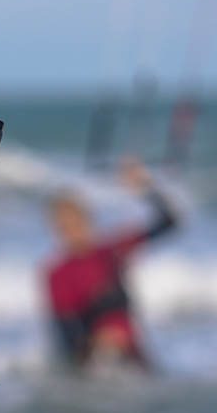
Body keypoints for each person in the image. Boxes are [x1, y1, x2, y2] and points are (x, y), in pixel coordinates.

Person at [44, 156, 178, 367]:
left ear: (87, 219)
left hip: (135, 358)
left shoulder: (112, 250)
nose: (71, 232)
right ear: (56, 230)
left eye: (75, 222)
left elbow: (169, 222)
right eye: (64, 227)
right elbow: (66, 335)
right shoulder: (57, 274)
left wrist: (146, 187)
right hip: (97, 365)